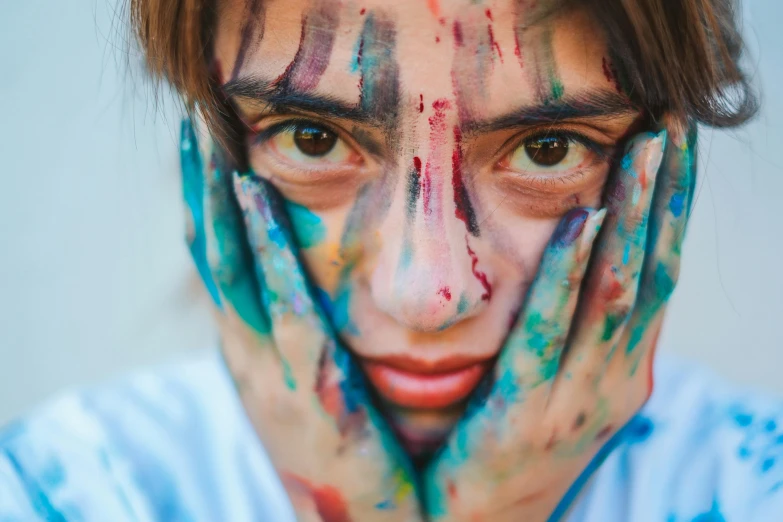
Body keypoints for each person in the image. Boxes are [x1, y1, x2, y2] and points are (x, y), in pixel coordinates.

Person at [1, 0, 780, 520]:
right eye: (312, 139)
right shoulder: (67, 490)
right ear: (214, 150)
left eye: (547, 149)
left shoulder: (751, 487)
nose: (427, 296)